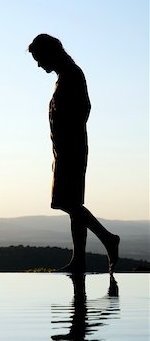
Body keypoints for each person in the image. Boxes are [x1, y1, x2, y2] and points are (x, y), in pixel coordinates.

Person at [28, 34, 120, 274]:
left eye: (39, 58)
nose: (39, 65)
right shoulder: (65, 76)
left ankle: (108, 238)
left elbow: (83, 109)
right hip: (64, 149)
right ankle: (79, 259)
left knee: (65, 201)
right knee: (74, 203)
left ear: (51, 53)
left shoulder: (72, 75)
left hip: (71, 148)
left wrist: (67, 138)